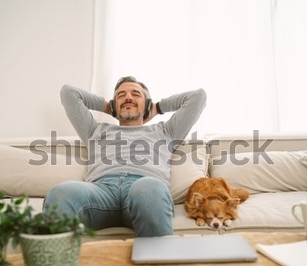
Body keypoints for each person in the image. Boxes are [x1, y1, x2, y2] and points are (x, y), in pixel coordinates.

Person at [44, 76, 206, 237]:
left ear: (147, 103)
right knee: (60, 193)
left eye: (136, 94)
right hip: (101, 192)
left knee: (148, 188)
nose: (128, 97)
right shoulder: (94, 130)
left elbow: (198, 97)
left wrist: (157, 107)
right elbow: (68, 93)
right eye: (121, 95)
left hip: (145, 191)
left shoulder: (166, 131)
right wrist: (109, 107)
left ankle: (156, 261)